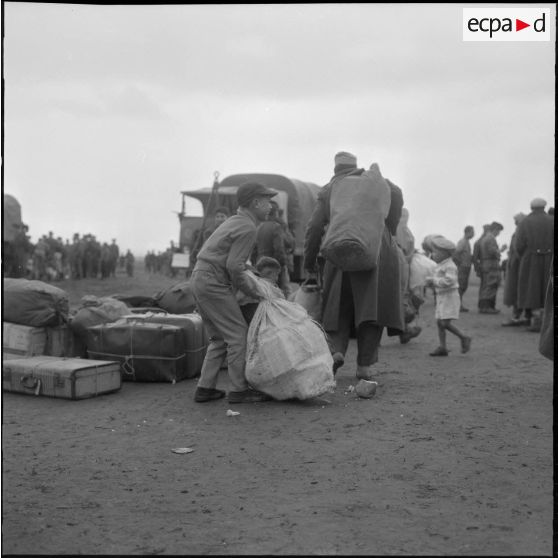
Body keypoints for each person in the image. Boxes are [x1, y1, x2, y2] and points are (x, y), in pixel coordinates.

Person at [303, 151, 404, 380]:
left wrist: (310, 262)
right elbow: (397, 195)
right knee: (372, 308)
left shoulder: (332, 187)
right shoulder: (380, 183)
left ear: (336, 169)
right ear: (356, 166)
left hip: (339, 248)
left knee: (336, 305)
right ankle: (365, 366)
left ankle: (337, 352)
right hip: (376, 248)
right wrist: (390, 228)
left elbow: (315, 227)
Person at [190, 182, 277, 404]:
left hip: (200, 279)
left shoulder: (235, 221)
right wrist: (254, 292)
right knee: (238, 335)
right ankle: (239, 390)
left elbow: (233, 263)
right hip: (213, 282)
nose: (271, 206)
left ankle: (205, 388)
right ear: (255, 202)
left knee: (219, 337)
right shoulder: (247, 227)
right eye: (267, 201)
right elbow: (234, 267)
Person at [424, 236, 472, 356]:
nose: (433, 255)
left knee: (444, 323)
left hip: (449, 297)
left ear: (445, 253)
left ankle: (464, 337)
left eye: (435, 252)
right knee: (439, 322)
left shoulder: (450, 266)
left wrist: (434, 281)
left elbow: (449, 281)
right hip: (442, 297)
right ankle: (442, 347)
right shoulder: (440, 265)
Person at [515, 198, 554, 332]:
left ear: (531, 207)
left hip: (530, 259)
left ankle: (535, 319)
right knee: (547, 288)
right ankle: (546, 321)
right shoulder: (552, 220)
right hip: (550, 259)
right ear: (544, 207)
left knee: (531, 289)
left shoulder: (525, 222)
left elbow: (518, 245)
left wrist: (524, 256)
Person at [254, 201, 290, 297]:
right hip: (273, 265)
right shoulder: (276, 227)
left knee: (264, 293)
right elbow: (279, 248)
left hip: (260, 265)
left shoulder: (259, 227)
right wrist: (283, 265)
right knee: (283, 293)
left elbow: (254, 249)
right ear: (276, 213)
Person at [396, 208, 422, 344]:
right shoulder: (402, 231)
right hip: (401, 267)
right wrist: (410, 255)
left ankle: (404, 330)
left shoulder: (395, 229)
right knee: (401, 298)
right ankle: (404, 330)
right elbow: (404, 250)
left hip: (399, 265)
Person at [237, 256, 284, 325]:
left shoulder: (249, 279)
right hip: (256, 316)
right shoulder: (265, 286)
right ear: (269, 273)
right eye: (277, 275)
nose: (277, 278)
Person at [502, 212, 529, 326]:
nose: (515, 222)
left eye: (516, 220)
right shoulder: (522, 231)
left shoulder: (520, 232)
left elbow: (517, 249)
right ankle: (526, 316)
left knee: (517, 291)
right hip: (517, 265)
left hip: (517, 267)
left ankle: (516, 316)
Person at [477, 221, 505, 313]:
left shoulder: (486, 238)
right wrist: (501, 250)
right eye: (498, 231)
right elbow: (492, 252)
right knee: (491, 285)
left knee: (487, 285)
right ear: (495, 229)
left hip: (487, 264)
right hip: (491, 265)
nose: (499, 233)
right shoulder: (490, 238)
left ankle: (485, 307)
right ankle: (486, 308)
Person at [453, 225, 475, 312]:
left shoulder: (466, 242)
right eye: (472, 232)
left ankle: (459, 305)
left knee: (463, 286)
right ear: (468, 232)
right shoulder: (462, 242)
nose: (473, 234)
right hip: (463, 267)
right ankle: (457, 306)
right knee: (461, 286)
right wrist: (460, 263)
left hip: (466, 267)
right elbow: (456, 253)